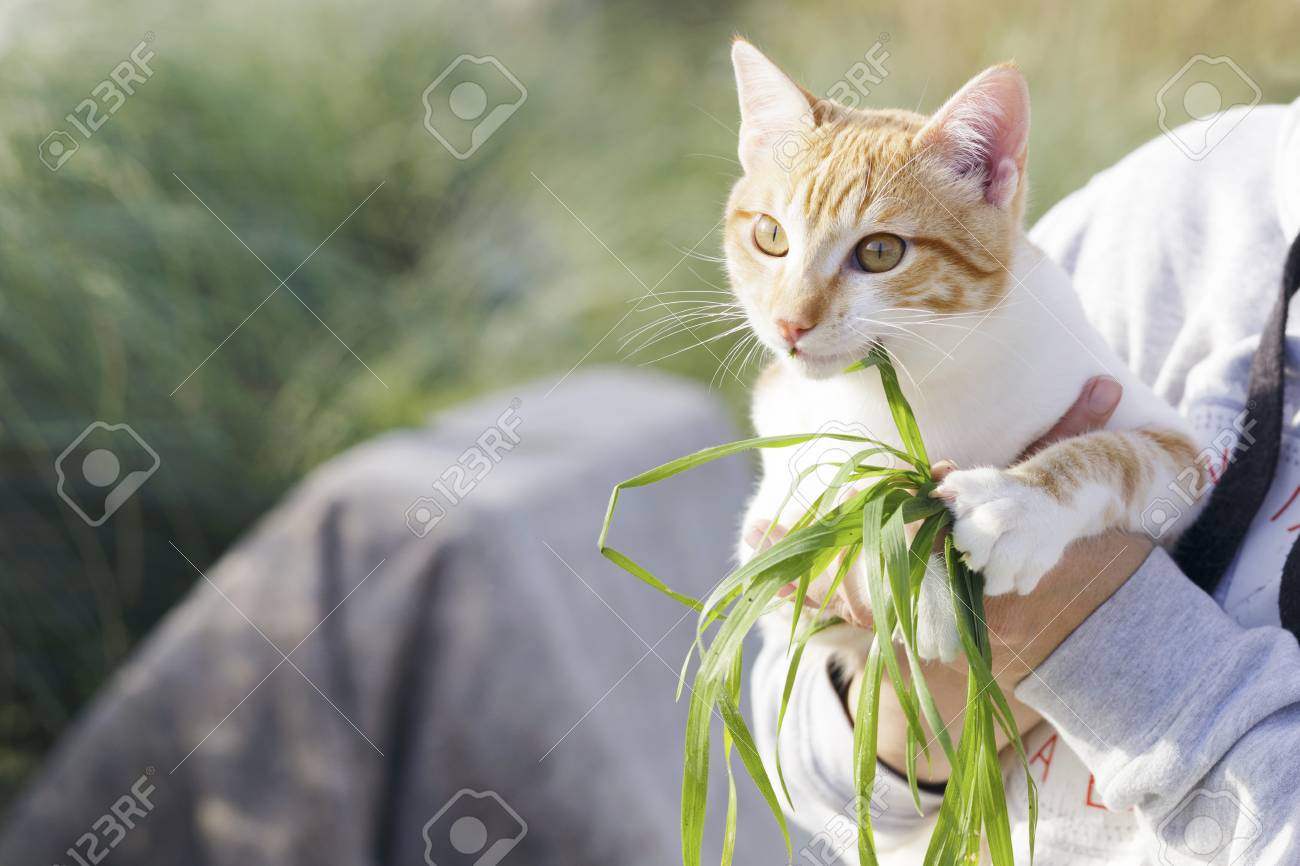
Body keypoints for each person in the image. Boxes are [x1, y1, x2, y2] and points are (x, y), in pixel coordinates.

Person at [752, 99, 1300, 864]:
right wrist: (936, 693)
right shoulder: (1163, 202)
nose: (793, 313)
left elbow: (1173, 470)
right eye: (770, 240)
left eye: (874, 254)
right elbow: (810, 774)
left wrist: (1083, 624)